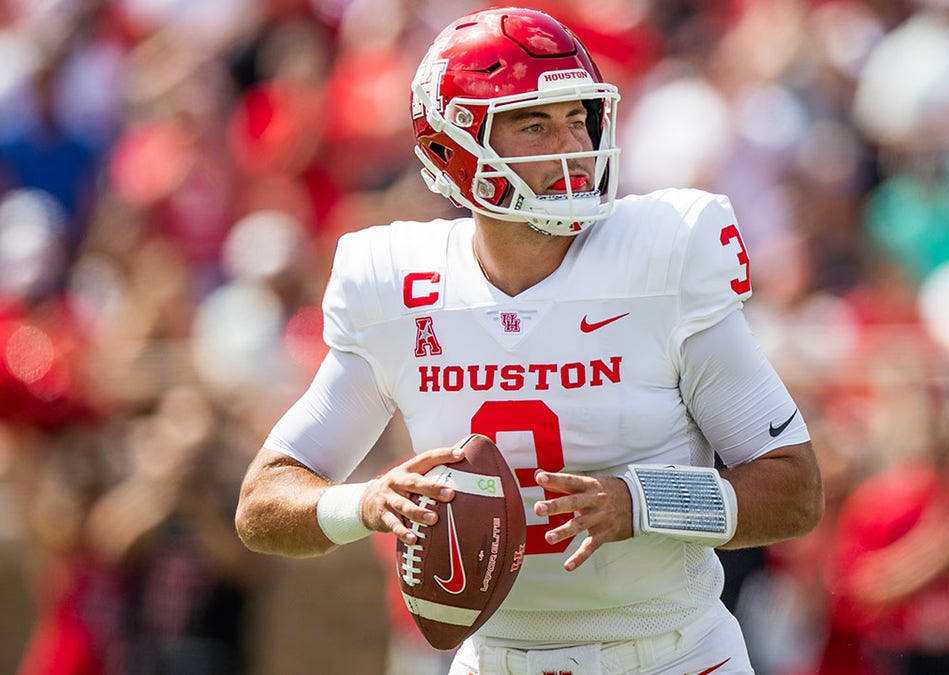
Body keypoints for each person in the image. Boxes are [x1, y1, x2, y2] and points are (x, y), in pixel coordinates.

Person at [235, 7, 823, 674]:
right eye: (536, 124)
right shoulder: (400, 289)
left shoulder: (663, 259)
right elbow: (263, 502)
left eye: (579, 118)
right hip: (497, 661)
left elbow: (794, 488)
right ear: (453, 146)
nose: (572, 144)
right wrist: (363, 503)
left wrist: (641, 502)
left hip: (675, 656)